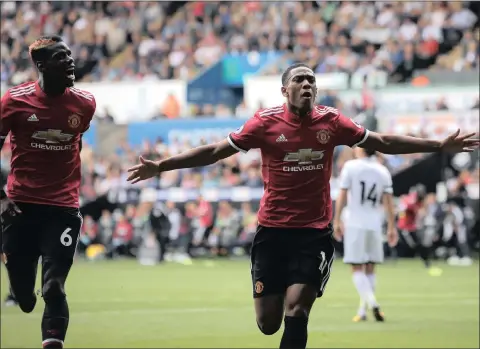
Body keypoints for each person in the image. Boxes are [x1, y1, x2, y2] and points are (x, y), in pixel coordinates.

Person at [126, 63, 478, 349]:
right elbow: (216, 151)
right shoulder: (264, 123)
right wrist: (162, 165)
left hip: (314, 233)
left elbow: (383, 141)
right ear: (285, 90)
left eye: (312, 80)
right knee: (268, 323)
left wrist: (437, 146)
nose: (308, 84)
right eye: (300, 79)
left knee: (298, 308)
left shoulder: (332, 121)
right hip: (272, 232)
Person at [0, 35, 96, 349]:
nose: (69, 61)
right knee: (26, 297)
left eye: (69, 56)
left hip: (62, 208)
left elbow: (76, 143)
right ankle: (22, 292)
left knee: (54, 286)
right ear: (41, 65)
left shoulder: (85, 103)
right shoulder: (14, 100)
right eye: (60, 57)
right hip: (20, 207)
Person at [333, 148, 398, 323]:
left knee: (356, 267)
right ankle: (362, 310)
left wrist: (336, 220)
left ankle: (373, 303)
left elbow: (342, 195)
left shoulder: (350, 167)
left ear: (360, 149)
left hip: (355, 222)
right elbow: (388, 202)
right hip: (374, 223)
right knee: (370, 267)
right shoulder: (382, 169)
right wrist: (392, 226)